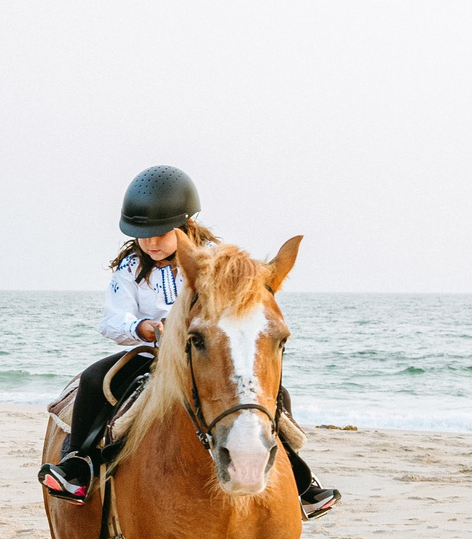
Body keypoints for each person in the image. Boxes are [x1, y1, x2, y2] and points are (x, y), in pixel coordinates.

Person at [39, 164, 338, 518]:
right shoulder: (129, 269)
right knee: (94, 380)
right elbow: (111, 320)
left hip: (205, 355)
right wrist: (142, 327)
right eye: (142, 235)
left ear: (185, 225)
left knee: (274, 396)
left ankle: (301, 480)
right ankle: (78, 465)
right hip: (151, 355)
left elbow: (238, 309)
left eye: (160, 234)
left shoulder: (213, 259)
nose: (151, 243)